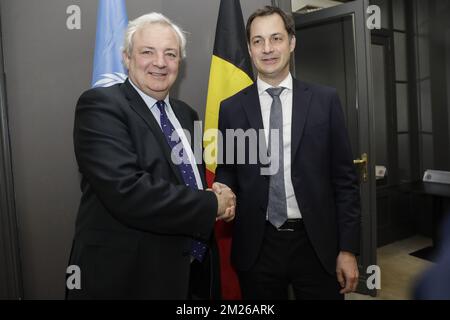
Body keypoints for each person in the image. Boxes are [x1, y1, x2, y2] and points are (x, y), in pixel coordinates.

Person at [67, 12, 235, 299]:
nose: (160, 62)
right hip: (129, 279)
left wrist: (212, 191)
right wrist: (211, 204)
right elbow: (128, 192)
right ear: (126, 57)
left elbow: (185, 183)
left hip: (190, 273)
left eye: (170, 54)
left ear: (179, 62)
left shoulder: (186, 115)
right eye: (148, 52)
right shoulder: (100, 107)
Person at [214, 6, 360, 300]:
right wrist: (223, 193)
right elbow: (228, 169)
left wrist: (347, 249)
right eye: (258, 41)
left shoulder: (325, 100)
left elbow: (344, 181)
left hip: (317, 243)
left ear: (291, 43)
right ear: (249, 48)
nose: (267, 49)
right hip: (257, 246)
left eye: (276, 38)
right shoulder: (230, 109)